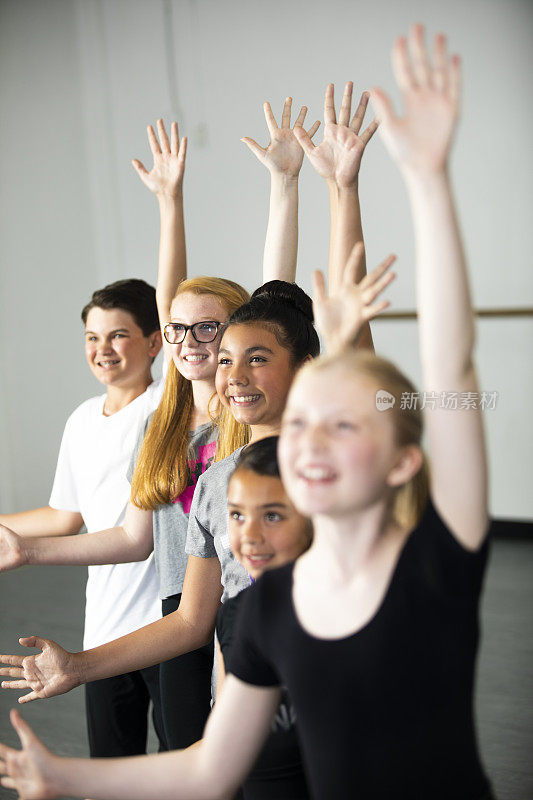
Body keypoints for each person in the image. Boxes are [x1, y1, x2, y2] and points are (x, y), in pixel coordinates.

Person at [0, 25, 495, 800]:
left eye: (331, 436)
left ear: (391, 462)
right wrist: (66, 767)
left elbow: (445, 378)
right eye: (243, 518)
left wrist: (410, 184)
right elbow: (206, 763)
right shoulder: (256, 591)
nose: (250, 534)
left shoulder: (433, 562)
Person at [0, 82, 378, 700]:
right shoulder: (193, 451)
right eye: (187, 336)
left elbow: (275, 300)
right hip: (196, 621)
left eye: (232, 345)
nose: (211, 355)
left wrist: (320, 188)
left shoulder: (303, 440)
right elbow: (178, 598)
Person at [214, 437, 313, 799]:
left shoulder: (356, 616)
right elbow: (217, 756)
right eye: (237, 515)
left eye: (272, 515)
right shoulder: (237, 613)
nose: (250, 536)